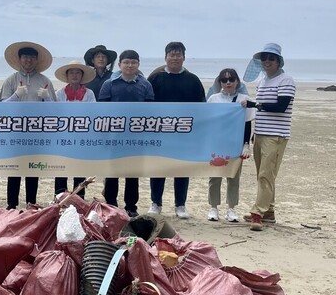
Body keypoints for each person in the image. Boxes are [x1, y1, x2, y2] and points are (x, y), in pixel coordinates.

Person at [147, 41, 205, 218]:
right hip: (159, 130)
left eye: (178, 54)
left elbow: (202, 106)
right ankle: (155, 202)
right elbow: (146, 104)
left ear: (184, 58)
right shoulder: (155, 78)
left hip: (183, 132)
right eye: (171, 54)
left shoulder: (193, 80)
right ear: (165, 57)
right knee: (158, 167)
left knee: (181, 168)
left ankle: (180, 205)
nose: (175, 57)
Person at [242, 43, 295, 231]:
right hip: (261, 133)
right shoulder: (263, 82)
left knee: (266, 174)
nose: (267, 61)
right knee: (264, 175)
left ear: (279, 61)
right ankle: (269, 212)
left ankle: (258, 213)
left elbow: (281, 107)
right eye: (264, 58)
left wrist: (255, 105)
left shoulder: (286, 80)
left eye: (271, 58)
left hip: (276, 135)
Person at [98, 50, 155, 217]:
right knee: (112, 172)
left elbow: (150, 111)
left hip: (136, 137)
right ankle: (110, 204)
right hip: (114, 136)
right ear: (119, 64)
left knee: (132, 173)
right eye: (126, 62)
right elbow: (102, 111)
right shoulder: (109, 84)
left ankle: (131, 206)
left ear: (138, 64)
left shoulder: (145, 85)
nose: (130, 65)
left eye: (133, 62)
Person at [0, 41, 56, 209]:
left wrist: (46, 97)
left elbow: (56, 110)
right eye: (25, 57)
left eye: (32, 57)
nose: (28, 60)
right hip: (16, 131)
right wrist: (16, 95)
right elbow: (1, 107)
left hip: (36, 132)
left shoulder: (44, 81)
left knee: (33, 170)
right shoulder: (11, 80)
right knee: (14, 169)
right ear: (19, 59)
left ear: (36, 60)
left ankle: (31, 204)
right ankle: (11, 205)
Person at [206, 68, 254, 222]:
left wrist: (246, 144)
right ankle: (213, 207)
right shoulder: (213, 99)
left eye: (231, 79)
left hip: (235, 144)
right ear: (219, 82)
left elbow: (247, 124)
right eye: (224, 80)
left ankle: (231, 208)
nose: (228, 83)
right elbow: (207, 122)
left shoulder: (244, 99)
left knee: (233, 176)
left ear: (237, 82)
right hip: (217, 143)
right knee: (215, 177)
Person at [53, 60, 95, 198]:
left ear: (82, 76)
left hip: (81, 136)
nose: (75, 75)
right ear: (67, 75)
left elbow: (93, 113)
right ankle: (60, 197)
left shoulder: (89, 93)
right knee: (60, 168)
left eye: (78, 73)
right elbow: (56, 113)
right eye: (71, 72)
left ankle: (79, 197)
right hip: (63, 136)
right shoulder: (59, 93)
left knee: (79, 168)